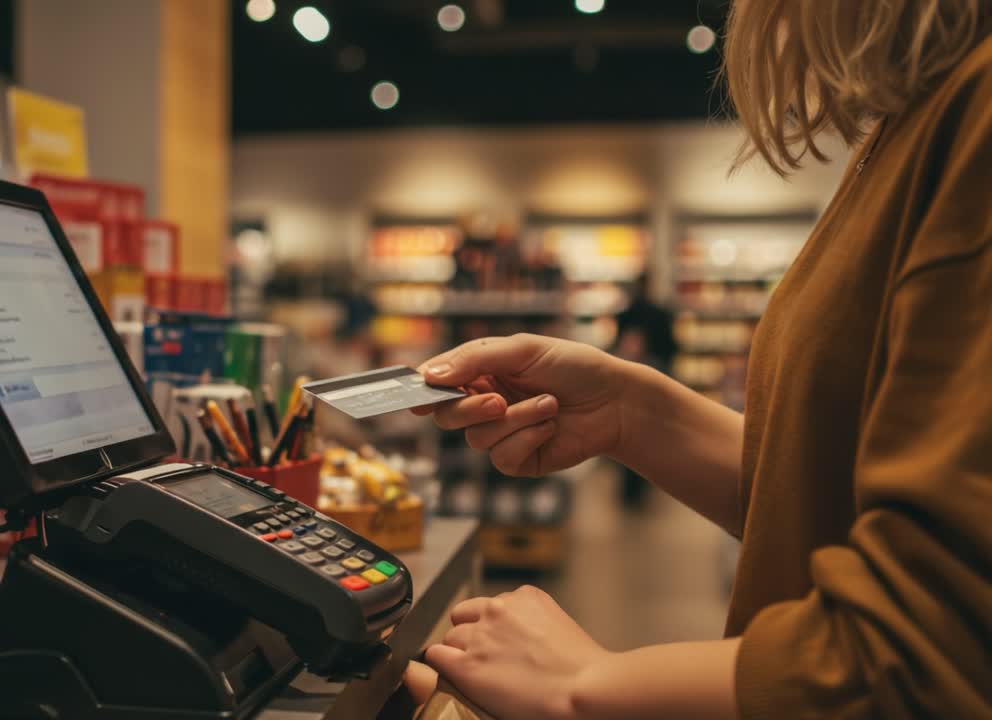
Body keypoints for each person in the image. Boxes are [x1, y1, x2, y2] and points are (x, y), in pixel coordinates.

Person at [404, 1, 992, 717]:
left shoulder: (976, 116)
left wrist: (586, 684)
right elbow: (829, 494)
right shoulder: (922, 115)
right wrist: (633, 411)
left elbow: (932, 655)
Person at [610, 273, 677, 508]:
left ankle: (628, 491)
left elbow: (615, 347)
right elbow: (672, 348)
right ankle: (645, 483)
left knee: (626, 432)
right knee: (649, 434)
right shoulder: (662, 314)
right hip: (655, 382)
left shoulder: (624, 315)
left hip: (626, 380)